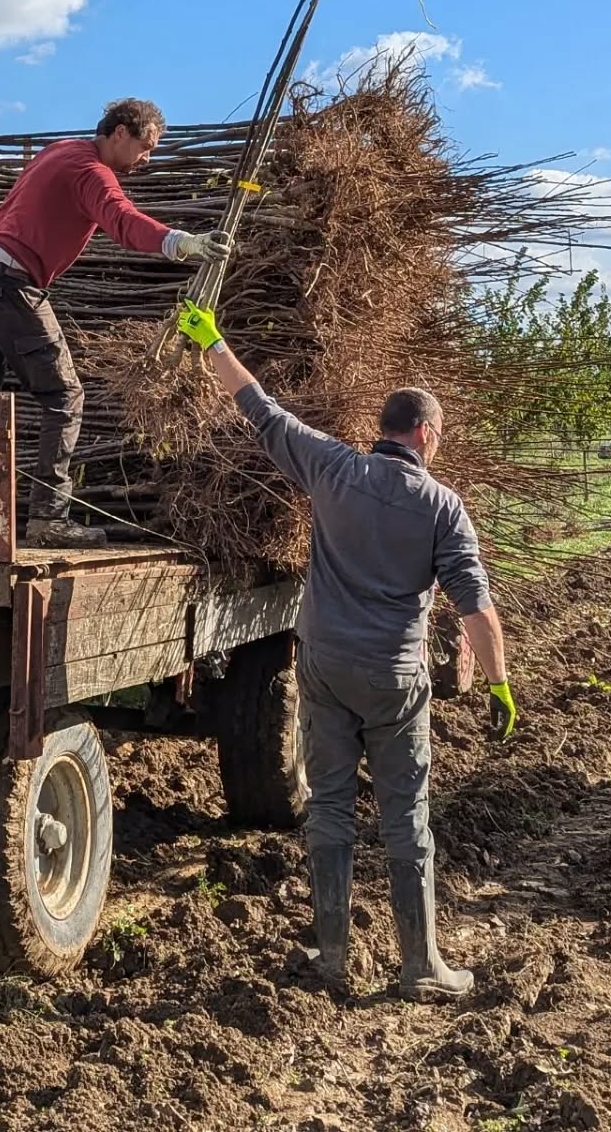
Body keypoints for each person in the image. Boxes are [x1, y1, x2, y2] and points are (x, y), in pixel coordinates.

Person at [176, 297, 518, 1001]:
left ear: (384, 431)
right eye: (439, 437)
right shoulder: (442, 508)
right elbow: (475, 607)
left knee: (330, 810)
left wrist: (214, 342)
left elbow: (261, 409)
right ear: (424, 435)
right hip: (394, 680)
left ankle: (331, 955)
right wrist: (499, 683)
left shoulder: (333, 468)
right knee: (406, 819)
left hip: (324, 667)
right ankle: (421, 964)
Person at [0, 99, 232, 547]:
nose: (147, 159)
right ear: (120, 133)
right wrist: (185, 243)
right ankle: (48, 520)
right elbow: (123, 221)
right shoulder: (91, 172)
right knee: (64, 395)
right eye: (145, 147)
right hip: (9, 281)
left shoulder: (62, 150)